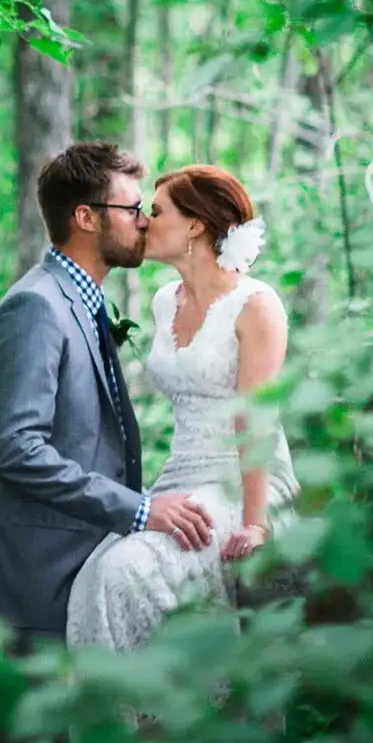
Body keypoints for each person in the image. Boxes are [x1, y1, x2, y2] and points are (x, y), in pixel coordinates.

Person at [0, 143, 217, 646]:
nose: (143, 221)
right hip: (38, 581)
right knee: (36, 728)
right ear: (85, 217)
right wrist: (140, 510)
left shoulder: (82, 300)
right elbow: (17, 450)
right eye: (131, 209)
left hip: (88, 571)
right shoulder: (35, 306)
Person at [64, 163, 297, 651]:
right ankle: (131, 718)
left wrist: (256, 525)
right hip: (179, 477)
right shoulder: (164, 301)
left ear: (195, 225)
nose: (144, 221)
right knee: (92, 578)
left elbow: (255, 416)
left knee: (125, 570)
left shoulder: (257, 304)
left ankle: (194, 707)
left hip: (242, 481)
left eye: (156, 210)